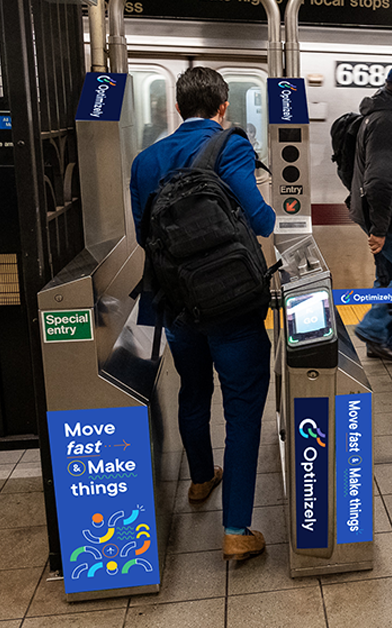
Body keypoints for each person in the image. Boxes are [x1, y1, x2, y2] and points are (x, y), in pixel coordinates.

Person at [130, 67, 276, 561]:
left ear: (176, 107)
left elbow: (142, 235)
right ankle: (236, 529)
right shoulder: (229, 146)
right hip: (233, 306)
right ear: (222, 107)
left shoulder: (147, 159)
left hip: (179, 306)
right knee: (242, 410)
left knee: (193, 390)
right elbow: (262, 219)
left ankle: (198, 479)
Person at [350, 67, 392, 360]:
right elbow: (378, 180)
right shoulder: (386, 121)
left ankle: (379, 342)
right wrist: (379, 228)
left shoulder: (375, 114)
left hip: (381, 216)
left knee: (386, 278)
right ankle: (374, 328)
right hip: (388, 219)